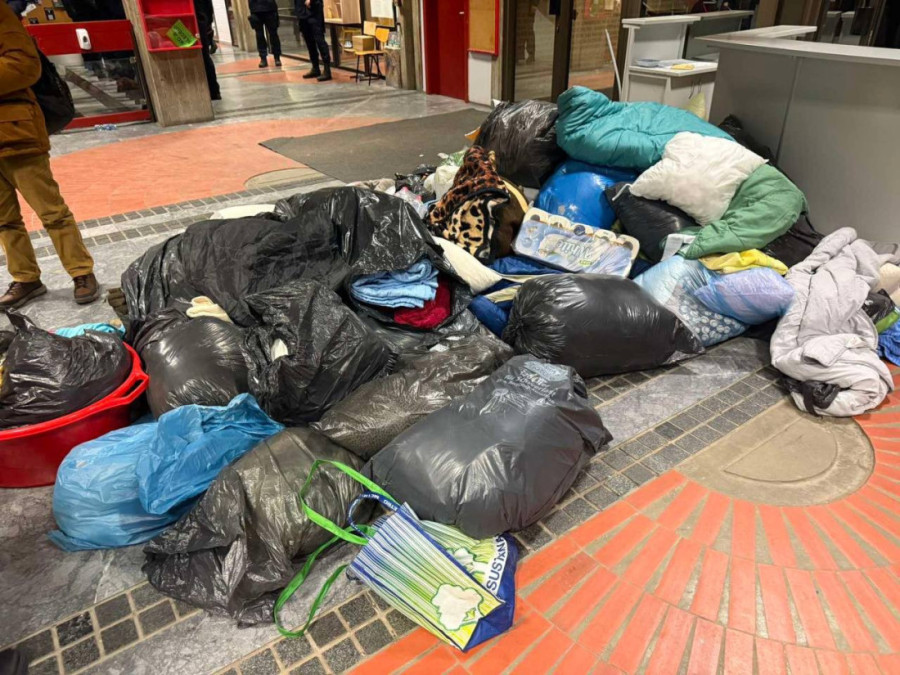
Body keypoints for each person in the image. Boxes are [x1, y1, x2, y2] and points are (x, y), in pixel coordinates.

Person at [0, 1, 98, 309]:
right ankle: (26, 278)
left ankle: (81, 272)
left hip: (15, 132)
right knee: (4, 221)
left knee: (52, 212)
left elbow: (25, 65)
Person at [295, 0, 331, 81]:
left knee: (320, 40)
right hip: (302, 12)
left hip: (314, 10)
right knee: (309, 42)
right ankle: (315, 68)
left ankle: (327, 70)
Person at [193, 0, 221, 100]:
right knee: (205, 58)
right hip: (201, 23)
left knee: (204, 58)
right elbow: (209, 8)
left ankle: (212, 91)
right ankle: (214, 92)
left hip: (197, 23)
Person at [249, 0, 282, 68]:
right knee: (259, 35)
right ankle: (263, 58)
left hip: (270, 9)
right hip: (255, 10)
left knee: (273, 34)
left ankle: (277, 57)